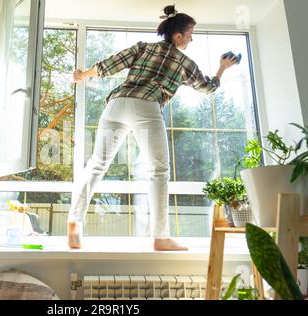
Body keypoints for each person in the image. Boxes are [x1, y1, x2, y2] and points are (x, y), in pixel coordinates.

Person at [67, 5, 238, 250]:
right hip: (145, 106)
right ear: (178, 36)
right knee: (159, 171)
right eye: (190, 34)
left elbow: (109, 65)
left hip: (116, 104)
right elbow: (207, 87)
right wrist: (222, 68)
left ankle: (74, 224)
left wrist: (82, 75)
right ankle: (160, 236)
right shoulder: (184, 61)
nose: (191, 39)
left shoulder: (143, 47)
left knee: (96, 165)